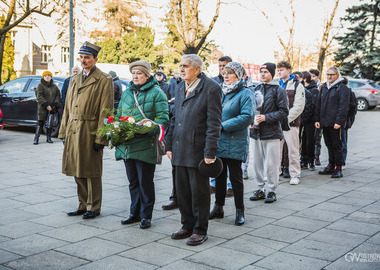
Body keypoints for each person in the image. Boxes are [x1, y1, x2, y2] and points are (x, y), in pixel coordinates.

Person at [166, 54, 222, 246]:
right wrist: (169, 144)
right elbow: (174, 117)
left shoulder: (211, 88)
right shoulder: (180, 86)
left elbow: (214, 123)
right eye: (180, 65)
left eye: (185, 66)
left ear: (197, 69)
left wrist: (210, 153)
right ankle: (187, 225)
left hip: (198, 150)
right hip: (180, 147)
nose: (181, 69)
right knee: (182, 192)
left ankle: (200, 229)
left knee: (199, 193)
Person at [58, 41, 114, 219]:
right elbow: (67, 107)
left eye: (87, 58)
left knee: (92, 171)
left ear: (95, 59)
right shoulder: (74, 79)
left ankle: (94, 207)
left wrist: (101, 138)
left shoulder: (104, 80)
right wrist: (63, 131)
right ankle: (82, 204)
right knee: (77, 169)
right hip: (73, 129)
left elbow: (106, 110)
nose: (83, 61)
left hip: (90, 131)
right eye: (81, 58)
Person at [115, 60, 169, 229]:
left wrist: (148, 127)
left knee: (145, 182)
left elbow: (163, 119)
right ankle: (134, 213)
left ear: (147, 75)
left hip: (146, 144)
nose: (136, 76)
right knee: (133, 182)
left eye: (139, 73)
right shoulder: (127, 93)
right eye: (134, 73)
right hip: (127, 144)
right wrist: (116, 127)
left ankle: (146, 216)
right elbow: (119, 114)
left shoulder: (157, 93)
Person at [209, 62, 255, 226]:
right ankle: (218, 207)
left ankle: (239, 210)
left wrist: (222, 126)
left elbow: (247, 116)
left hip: (235, 141)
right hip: (219, 141)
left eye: (229, 73)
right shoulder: (221, 91)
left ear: (239, 75)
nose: (225, 76)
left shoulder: (246, 93)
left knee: (236, 178)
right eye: (224, 72)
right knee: (219, 176)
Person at [249, 63, 288, 203]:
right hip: (256, 131)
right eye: (261, 72)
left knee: (271, 164)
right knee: (256, 163)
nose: (263, 74)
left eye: (266, 72)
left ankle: (272, 190)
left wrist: (266, 117)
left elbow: (284, 111)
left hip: (271, 132)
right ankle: (260, 188)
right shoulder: (256, 88)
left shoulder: (278, 90)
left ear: (272, 73)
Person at [315, 67, 350, 178]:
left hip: (335, 123)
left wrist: (339, 121)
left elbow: (343, 107)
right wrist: (317, 119)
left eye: (332, 74)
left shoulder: (342, 87)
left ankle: (338, 167)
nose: (329, 76)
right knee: (329, 144)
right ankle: (331, 165)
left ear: (337, 75)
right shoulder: (324, 87)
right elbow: (319, 104)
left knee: (337, 145)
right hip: (325, 122)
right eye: (328, 74)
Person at [277, 61, 305, 185]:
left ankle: (295, 174)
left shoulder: (297, 85)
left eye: (281, 70)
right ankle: (275, 173)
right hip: (276, 123)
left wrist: (285, 119)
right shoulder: (276, 84)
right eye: (278, 70)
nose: (279, 72)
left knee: (293, 150)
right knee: (275, 150)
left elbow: (299, 106)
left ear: (288, 70)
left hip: (291, 123)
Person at [211, 55, 233, 196]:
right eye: (220, 66)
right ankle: (213, 184)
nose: (222, 69)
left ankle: (231, 185)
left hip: (229, 124)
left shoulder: (235, 82)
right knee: (214, 153)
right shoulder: (212, 82)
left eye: (225, 66)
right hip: (215, 122)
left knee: (230, 158)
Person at [33, 71, 62, 145]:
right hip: (42, 107)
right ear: (43, 77)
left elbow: (58, 95)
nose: (47, 77)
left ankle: (48, 138)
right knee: (40, 123)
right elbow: (39, 96)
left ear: (51, 77)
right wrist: (46, 105)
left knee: (50, 123)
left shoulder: (54, 86)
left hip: (52, 108)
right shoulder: (40, 85)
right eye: (45, 76)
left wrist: (55, 104)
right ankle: (36, 138)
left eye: (48, 76)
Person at [300, 71, 319, 170]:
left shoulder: (314, 90)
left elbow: (313, 106)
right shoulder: (301, 88)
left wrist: (305, 117)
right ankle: (303, 160)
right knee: (302, 140)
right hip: (302, 118)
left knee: (309, 141)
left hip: (310, 119)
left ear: (304, 79)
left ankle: (311, 161)